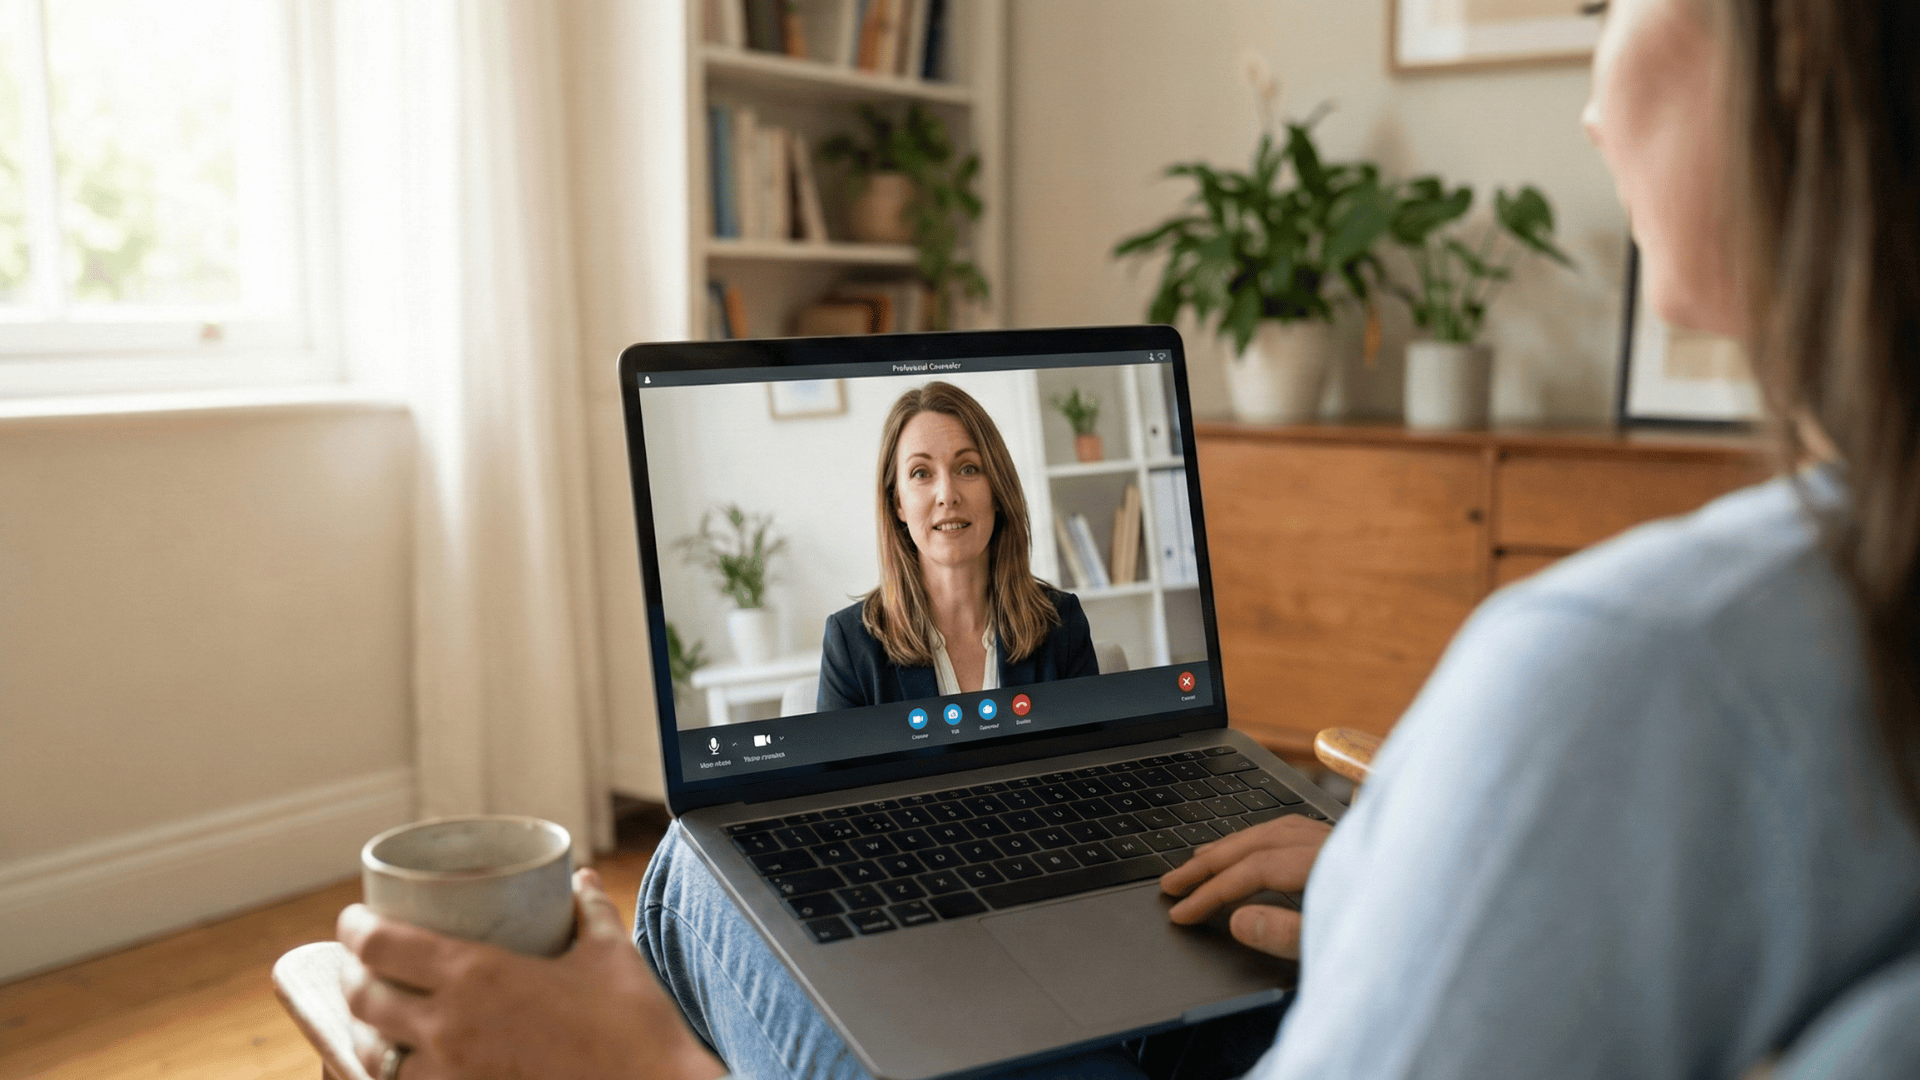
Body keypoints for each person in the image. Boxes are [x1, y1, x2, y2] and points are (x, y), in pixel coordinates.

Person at [335, 0, 1920, 1076]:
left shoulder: (1629, 676)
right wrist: (1401, 874)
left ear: (1802, 60)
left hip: (1121, 881)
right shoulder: (847, 641)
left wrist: (647, 1067)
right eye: (916, 478)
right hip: (1164, 887)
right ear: (894, 506)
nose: (1587, 91)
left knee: (690, 863)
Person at [815, 380, 1098, 710]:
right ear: (898, 504)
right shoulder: (850, 644)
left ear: (997, 492)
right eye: (921, 473)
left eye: (968, 468)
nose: (947, 494)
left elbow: (1090, 753)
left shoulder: (1062, 624)